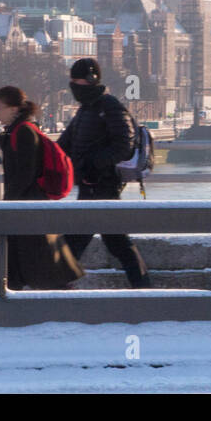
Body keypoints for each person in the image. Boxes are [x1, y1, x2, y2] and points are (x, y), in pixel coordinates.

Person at [57, 58, 152, 288]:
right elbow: (64, 145)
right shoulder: (86, 110)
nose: (73, 86)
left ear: (91, 79)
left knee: (75, 240)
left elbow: (124, 144)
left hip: (102, 184)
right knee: (117, 241)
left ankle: (54, 288)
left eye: (76, 81)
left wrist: (93, 165)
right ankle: (143, 288)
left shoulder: (109, 106)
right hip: (90, 185)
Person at [0, 85, 84, 291]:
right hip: (27, 207)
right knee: (34, 263)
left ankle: (15, 302)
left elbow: (24, 174)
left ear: (14, 109)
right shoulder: (20, 130)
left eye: (0, 107)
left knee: (42, 264)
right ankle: (10, 300)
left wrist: (7, 207)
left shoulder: (23, 132)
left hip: (26, 208)